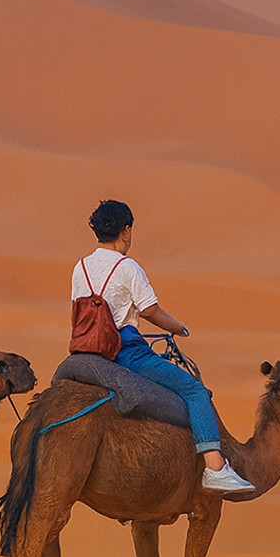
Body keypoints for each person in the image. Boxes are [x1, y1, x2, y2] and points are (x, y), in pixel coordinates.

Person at [72, 200, 254, 493]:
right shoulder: (127, 266)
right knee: (194, 391)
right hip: (125, 351)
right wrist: (178, 327)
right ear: (126, 230)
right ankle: (215, 467)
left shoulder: (79, 267)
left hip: (87, 353)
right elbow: (149, 311)